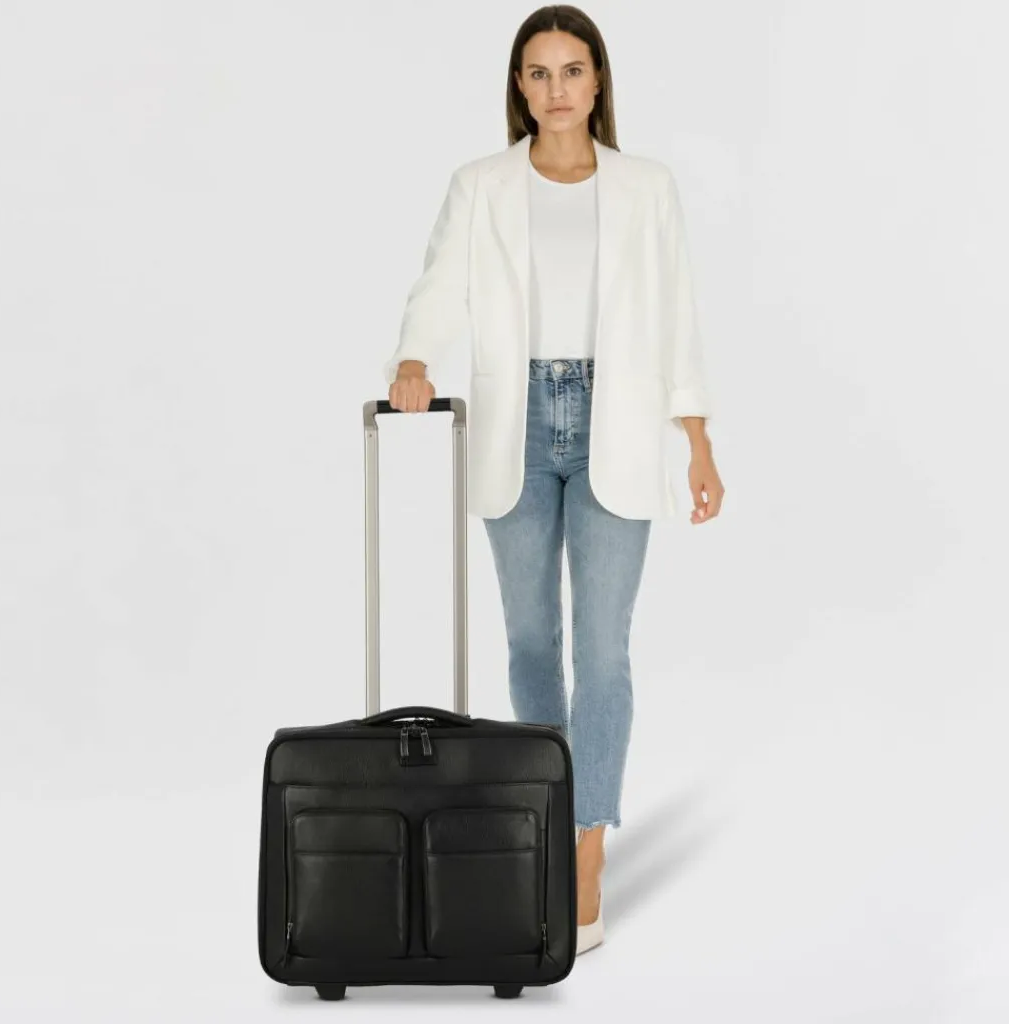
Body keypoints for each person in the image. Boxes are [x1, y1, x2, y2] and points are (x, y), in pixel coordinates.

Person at [384, 5, 724, 955]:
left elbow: (677, 312)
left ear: (598, 80)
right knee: (533, 643)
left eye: (573, 70)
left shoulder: (646, 186)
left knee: (604, 652)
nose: (557, 88)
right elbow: (440, 284)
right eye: (539, 73)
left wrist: (696, 438)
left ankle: (587, 846)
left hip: (620, 416)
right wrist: (413, 359)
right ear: (520, 87)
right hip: (518, 422)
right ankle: (544, 817)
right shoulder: (481, 184)